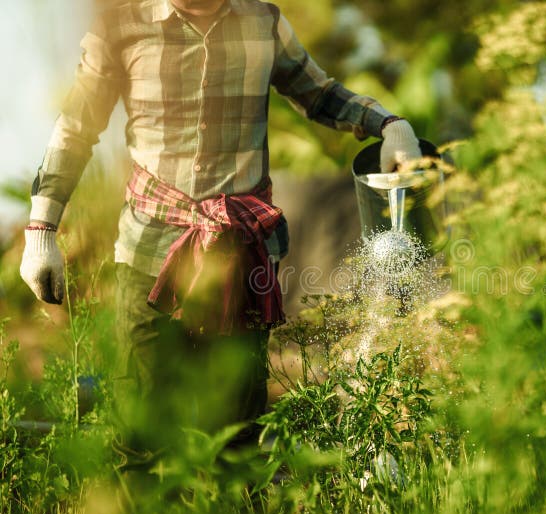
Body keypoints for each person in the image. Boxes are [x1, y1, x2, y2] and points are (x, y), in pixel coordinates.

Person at [18, 0, 422, 457]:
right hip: (149, 258)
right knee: (143, 436)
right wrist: (41, 229)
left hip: (240, 258)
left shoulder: (262, 21)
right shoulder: (122, 25)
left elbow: (320, 94)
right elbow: (76, 127)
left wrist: (389, 124)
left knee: (236, 438)